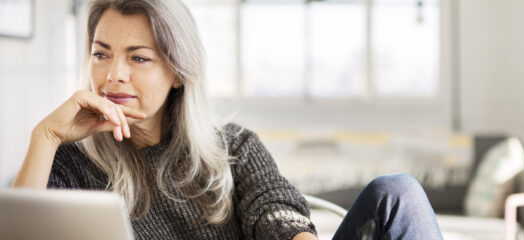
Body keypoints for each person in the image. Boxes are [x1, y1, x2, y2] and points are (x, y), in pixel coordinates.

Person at [11, 0, 443, 239]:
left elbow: (276, 215)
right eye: (100, 53)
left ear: (178, 73)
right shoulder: (70, 165)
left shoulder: (234, 147)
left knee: (397, 193)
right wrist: (45, 136)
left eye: (138, 58)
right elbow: (17, 235)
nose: (112, 74)